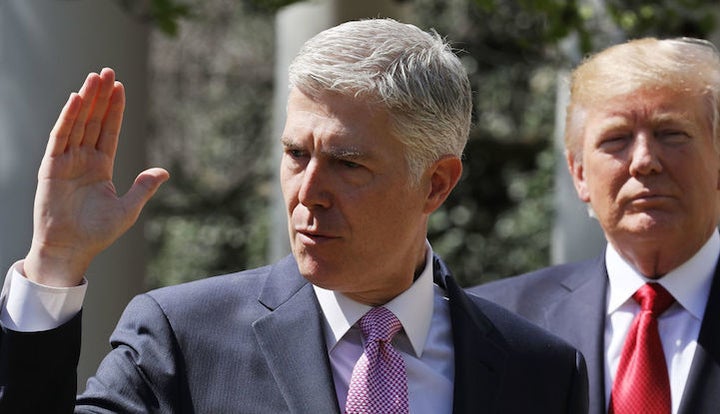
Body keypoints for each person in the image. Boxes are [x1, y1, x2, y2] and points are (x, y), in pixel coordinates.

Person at [0, 18, 587, 413]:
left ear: (436, 183)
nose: (308, 192)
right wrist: (54, 262)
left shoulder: (538, 372)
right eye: (295, 155)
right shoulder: (182, 337)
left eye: (347, 164)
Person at [471, 37, 720, 414]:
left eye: (671, 133)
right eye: (616, 139)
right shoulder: (492, 326)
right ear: (579, 174)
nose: (644, 161)